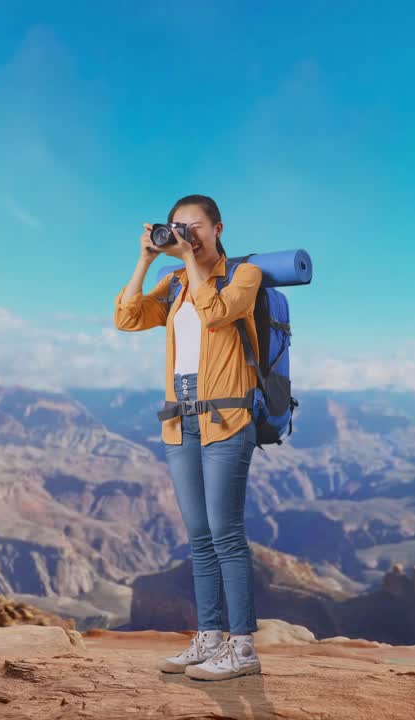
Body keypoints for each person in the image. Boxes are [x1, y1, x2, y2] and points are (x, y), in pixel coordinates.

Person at [113, 194, 264, 681]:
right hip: (181, 422)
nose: (185, 235)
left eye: (193, 226)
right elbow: (127, 316)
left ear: (218, 227)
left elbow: (216, 313)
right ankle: (209, 638)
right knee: (199, 539)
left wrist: (190, 263)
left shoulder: (244, 275)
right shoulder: (175, 281)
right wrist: (147, 258)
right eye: (177, 226)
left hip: (226, 421)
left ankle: (242, 650)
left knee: (226, 536)